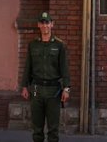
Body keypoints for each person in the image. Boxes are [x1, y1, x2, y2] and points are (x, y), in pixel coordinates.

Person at [20, 12, 70, 142]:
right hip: (36, 89)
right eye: (42, 23)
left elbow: (64, 68)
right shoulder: (33, 45)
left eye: (47, 22)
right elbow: (28, 67)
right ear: (38, 25)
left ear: (52, 24)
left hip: (54, 91)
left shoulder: (59, 45)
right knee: (37, 128)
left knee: (53, 129)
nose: (45, 25)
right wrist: (24, 86)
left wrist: (66, 88)